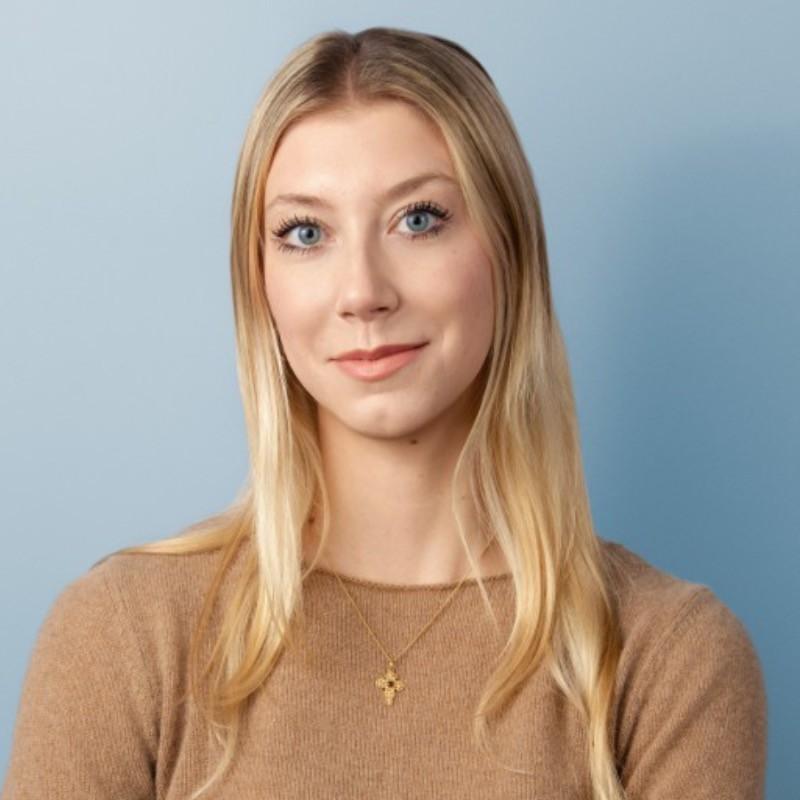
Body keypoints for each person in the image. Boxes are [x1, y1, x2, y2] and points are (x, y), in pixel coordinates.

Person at [1, 26, 767, 800]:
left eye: (419, 219)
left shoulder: (667, 658)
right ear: (259, 282)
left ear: (508, 249)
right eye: (306, 233)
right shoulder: (123, 636)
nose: (363, 292)